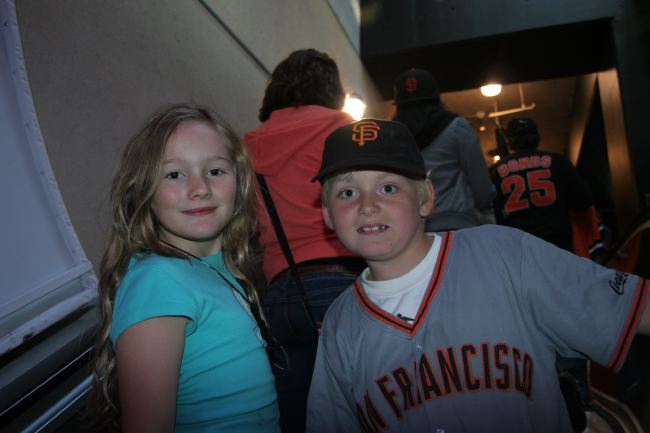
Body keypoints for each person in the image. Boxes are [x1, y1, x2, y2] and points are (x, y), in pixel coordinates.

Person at [306, 118, 650, 433]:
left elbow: (634, 308)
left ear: (426, 197)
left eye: (389, 188)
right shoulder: (339, 323)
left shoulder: (506, 254)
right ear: (328, 214)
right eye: (347, 193)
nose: (367, 206)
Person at [89, 104, 280, 433]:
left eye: (215, 171)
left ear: (239, 180)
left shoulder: (218, 270)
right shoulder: (158, 281)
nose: (200, 188)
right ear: (144, 190)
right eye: (174, 174)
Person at [244, 49, 365, 433]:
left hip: (279, 295)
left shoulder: (249, 145)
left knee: (297, 417)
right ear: (331, 88)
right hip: (341, 285)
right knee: (366, 409)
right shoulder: (342, 130)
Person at [392, 68, 495, 231]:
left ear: (398, 105)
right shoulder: (456, 127)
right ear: (436, 98)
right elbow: (483, 190)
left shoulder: (393, 136)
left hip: (414, 232)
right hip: (459, 227)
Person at [490, 117, 597, 253]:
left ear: (509, 141)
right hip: (557, 242)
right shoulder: (559, 162)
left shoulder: (494, 171)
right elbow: (584, 200)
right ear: (537, 137)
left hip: (518, 247)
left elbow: (489, 212)